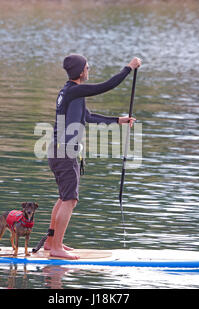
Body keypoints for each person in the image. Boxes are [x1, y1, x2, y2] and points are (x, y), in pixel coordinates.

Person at [45, 54, 142, 259]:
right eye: (88, 67)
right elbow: (107, 85)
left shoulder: (70, 92)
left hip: (57, 149)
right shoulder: (75, 90)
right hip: (64, 151)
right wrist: (129, 68)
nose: (89, 70)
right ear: (81, 72)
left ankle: (51, 242)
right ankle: (56, 248)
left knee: (64, 197)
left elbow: (88, 117)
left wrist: (118, 120)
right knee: (70, 199)